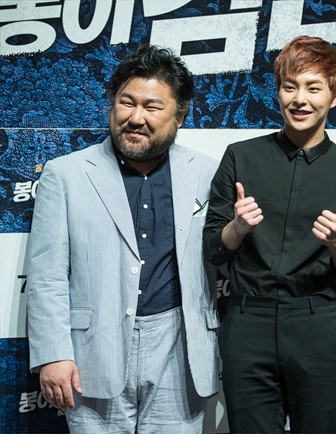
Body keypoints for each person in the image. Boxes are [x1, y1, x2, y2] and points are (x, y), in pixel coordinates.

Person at [26, 45, 219, 433]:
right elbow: (46, 276)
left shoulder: (208, 173)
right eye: (126, 102)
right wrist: (52, 354)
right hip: (92, 353)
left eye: (152, 107)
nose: (135, 117)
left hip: (180, 349)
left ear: (179, 116)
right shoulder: (65, 175)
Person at [202, 35, 336, 434]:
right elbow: (213, 250)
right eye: (289, 87)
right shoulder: (240, 156)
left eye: (313, 88)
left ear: (335, 96)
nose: (300, 99)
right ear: (278, 91)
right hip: (248, 321)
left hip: (317, 323)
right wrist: (236, 228)